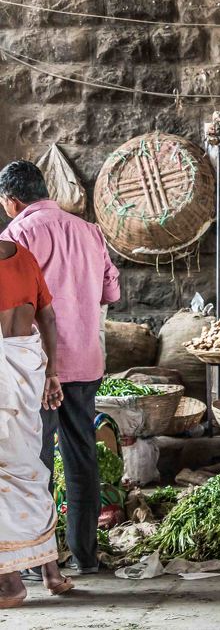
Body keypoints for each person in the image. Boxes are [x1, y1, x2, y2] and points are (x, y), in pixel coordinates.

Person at [0, 160, 120, 576]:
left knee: (35, 461)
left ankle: (40, 561)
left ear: (12, 201)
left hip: (36, 366)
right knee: (82, 455)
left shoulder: (16, 234)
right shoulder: (89, 231)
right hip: (85, 359)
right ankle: (86, 556)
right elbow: (111, 290)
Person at [0, 240, 74, 607]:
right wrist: (52, 372)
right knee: (29, 467)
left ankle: (10, 584)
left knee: (5, 476)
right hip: (28, 368)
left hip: (4, 377)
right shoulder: (22, 256)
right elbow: (48, 315)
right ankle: (52, 571)